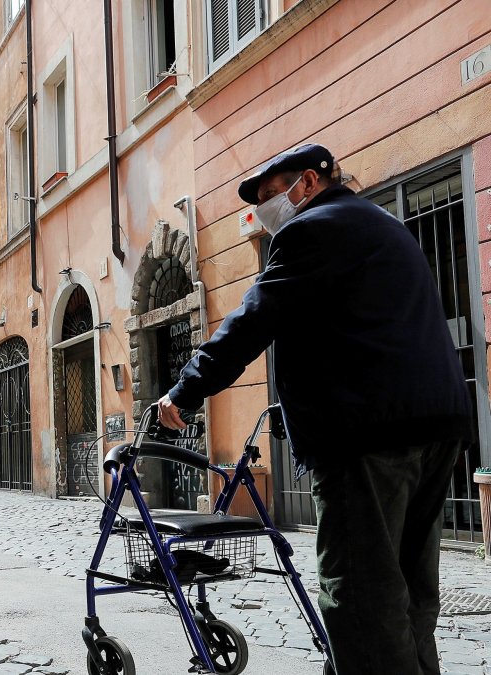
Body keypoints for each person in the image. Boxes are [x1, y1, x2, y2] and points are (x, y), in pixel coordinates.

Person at [157, 144, 471, 675]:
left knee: (362, 597)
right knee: (409, 589)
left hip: (365, 434)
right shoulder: (379, 223)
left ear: (306, 184)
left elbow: (253, 321)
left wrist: (184, 390)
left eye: (269, 196)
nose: (262, 211)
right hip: (434, 425)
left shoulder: (313, 229)